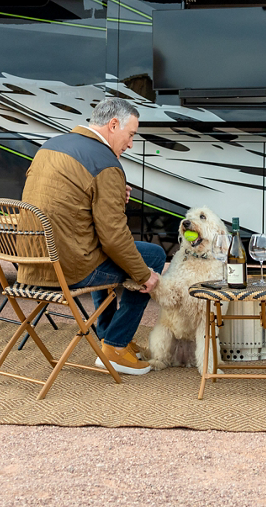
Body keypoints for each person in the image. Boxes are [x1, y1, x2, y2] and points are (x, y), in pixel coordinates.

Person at [20, 97, 164, 375]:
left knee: (104, 249)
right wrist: (145, 276)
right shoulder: (105, 162)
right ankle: (115, 345)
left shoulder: (50, 146)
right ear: (113, 125)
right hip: (67, 268)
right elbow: (113, 237)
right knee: (152, 255)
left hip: (32, 263)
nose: (131, 144)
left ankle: (107, 335)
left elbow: (65, 202)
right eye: (131, 134)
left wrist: (110, 196)